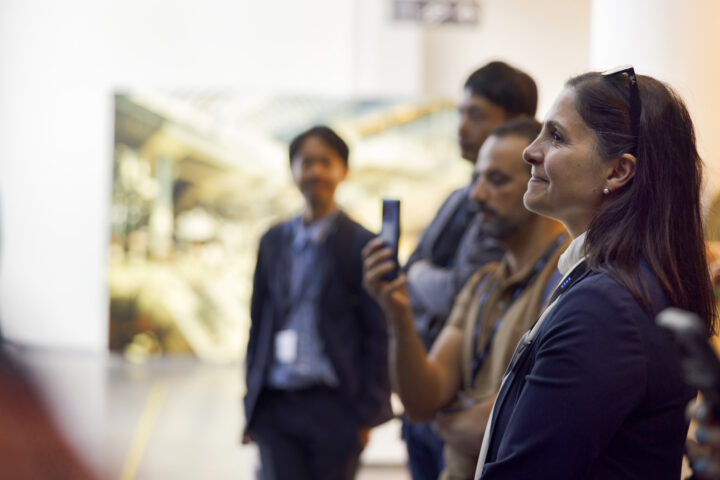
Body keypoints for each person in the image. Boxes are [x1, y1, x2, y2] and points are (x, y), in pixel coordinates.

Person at [471, 66, 717, 479]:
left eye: (557, 137)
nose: (531, 151)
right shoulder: (608, 287)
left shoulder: (604, 310)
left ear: (618, 171)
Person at [362, 117, 569, 480]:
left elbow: (513, 429)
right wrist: (398, 314)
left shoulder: (568, 282)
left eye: (497, 180)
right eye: (477, 179)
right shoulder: (482, 284)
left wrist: (455, 421)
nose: (477, 196)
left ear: (540, 182)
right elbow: (422, 400)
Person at [402, 61, 538, 480]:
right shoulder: (460, 198)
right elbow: (412, 270)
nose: (461, 127)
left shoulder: (524, 225)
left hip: (471, 401)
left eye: (476, 114)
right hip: (435, 390)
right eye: (460, 113)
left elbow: (451, 285)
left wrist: (419, 277)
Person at [243, 126, 392, 480]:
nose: (316, 172)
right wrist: (252, 402)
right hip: (277, 402)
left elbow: (377, 332)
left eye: (326, 162)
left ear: (343, 171)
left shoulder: (362, 244)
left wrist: (367, 412)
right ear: (293, 170)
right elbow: (259, 322)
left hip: (335, 404)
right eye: (306, 162)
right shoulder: (273, 241)